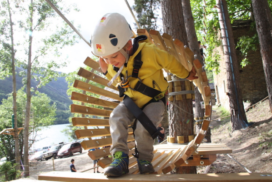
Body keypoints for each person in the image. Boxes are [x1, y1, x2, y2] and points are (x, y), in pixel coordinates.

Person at [90, 13, 197, 177]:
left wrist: (186, 74)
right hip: (131, 102)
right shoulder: (115, 63)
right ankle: (120, 158)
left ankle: (145, 160)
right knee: (115, 117)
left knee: (143, 127)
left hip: (154, 101)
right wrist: (106, 71)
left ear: (127, 44)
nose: (111, 62)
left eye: (113, 56)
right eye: (106, 58)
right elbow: (116, 77)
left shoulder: (150, 52)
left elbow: (170, 62)